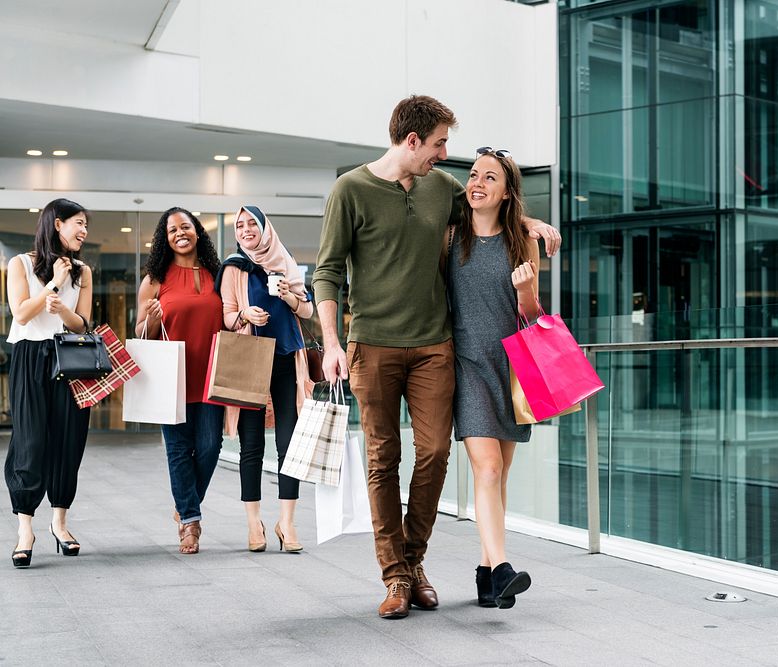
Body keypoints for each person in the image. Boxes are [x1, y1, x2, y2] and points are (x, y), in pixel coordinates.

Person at [313, 94, 561, 619]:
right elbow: (328, 272)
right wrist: (332, 344)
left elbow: (493, 203)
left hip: (434, 347)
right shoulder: (350, 190)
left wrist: (533, 225)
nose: (445, 155)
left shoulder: (440, 188)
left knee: (433, 455)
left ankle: (416, 559)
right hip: (373, 345)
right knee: (383, 459)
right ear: (412, 142)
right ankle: (397, 575)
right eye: (440, 144)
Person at [448, 148, 538, 608]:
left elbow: (533, 316)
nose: (477, 182)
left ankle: (487, 575)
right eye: (474, 174)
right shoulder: (448, 238)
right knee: (486, 468)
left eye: (490, 178)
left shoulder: (523, 243)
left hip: (512, 369)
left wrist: (525, 291)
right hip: (467, 366)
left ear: (506, 193)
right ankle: (503, 567)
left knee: (498, 476)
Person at [216, 206, 313, 553]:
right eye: (239, 226)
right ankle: (253, 522)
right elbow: (226, 316)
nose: (245, 230)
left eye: (251, 224)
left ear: (264, 228)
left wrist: (287, 295)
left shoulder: (284, 261)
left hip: (286, 356)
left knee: (290, 445)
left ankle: (287, 522)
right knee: (252, 445)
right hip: (250, 360)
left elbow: (307, 310)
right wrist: (243, 314)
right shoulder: (233, 267)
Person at [5, 199, 93, 568]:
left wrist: (65, 310)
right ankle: (25, 528)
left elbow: (83, 324)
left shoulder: (84, 271)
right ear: (57, 224)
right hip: (29, 355)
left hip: (69, 358)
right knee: (30, 440)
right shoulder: (20, 263)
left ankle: (60, 523)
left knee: (68, 440)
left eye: (86, 224)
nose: (84, 231)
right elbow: (21, 313)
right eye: (79, 223)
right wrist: (52, 287)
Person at [135, 207, 224, 554]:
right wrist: (153, 316)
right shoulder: (155, 278)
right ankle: (190, 522)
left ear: (197, 231)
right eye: (172, 230)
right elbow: (142, 333)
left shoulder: (218, 274)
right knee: (177, 451)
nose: (180, 234)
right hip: (170, 377)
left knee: (209, 447)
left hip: (211, 376)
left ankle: (187, 503)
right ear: (165, 238)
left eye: (185, 227)